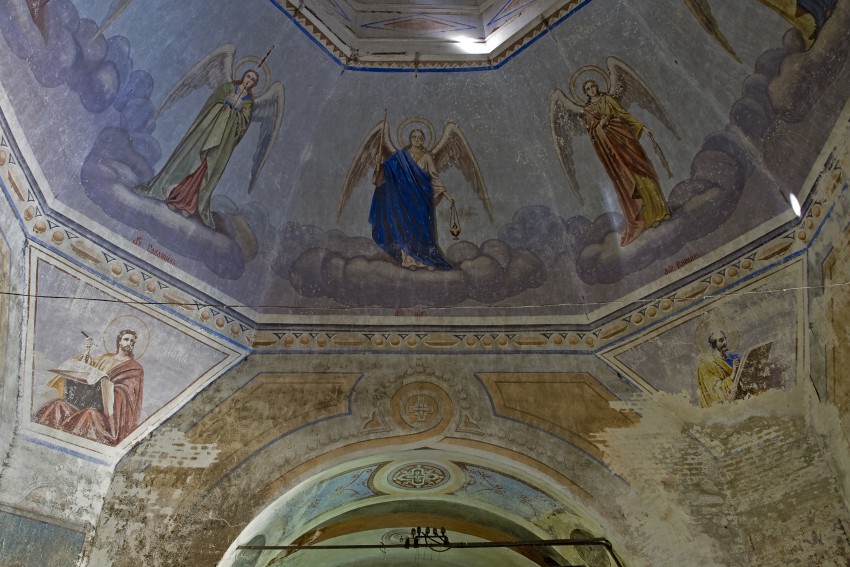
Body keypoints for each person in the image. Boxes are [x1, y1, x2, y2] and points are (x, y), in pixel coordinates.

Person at [134, 70, 258, 230]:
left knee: (204, 169)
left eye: (253, 79)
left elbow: (242, 126)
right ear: (244, 76)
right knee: (191, 161)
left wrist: (237, 111)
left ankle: (189, 206)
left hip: (221, 142)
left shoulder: (248, 103)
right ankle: (173, 197)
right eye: (248, 76)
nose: (249, 80)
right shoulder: (228, 87)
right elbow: (212, 103)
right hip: (206, 132)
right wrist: (226, 103)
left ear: (254, 84)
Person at [582, 80, 671, 246]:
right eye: (588, 89)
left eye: (593, 86)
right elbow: (593, 134)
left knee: (645, 173)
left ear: (597, 86)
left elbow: (624, 115)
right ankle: (650, 218)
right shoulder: (588, 111)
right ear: (585, 93)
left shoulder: (608, 99)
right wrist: (601, 125)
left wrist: (642, 127)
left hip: (626, 142)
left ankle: (662, 211)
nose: (592, 90)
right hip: (613, 151)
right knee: (633, 180)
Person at [35, 329, 144, 445]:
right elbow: (89, 370)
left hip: (105, 412)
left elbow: (128, 393)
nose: (129, 343)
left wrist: (107, 388)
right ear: (119, 341)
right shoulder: (105, 358)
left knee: (89, 415)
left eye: (132, 341)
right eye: (126, 339)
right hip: (84, 400)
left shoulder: (134, 367)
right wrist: (87, 352)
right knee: (57, 405)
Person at [369, 129, 455, 271]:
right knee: (406, 229)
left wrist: (446, 194)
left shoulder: (426, 158)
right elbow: (387, 172)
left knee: (424, 230)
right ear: (410, 139)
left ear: (423, 140)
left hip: (422, 201)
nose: (417, 139)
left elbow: (434, 178)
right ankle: (410, 261)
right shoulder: (400, 157)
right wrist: (379, 164)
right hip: (405, 201)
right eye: (414, 137)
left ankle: (427, 261)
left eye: (420, 137)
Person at [696, 330, 741, 408]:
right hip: (726, 406)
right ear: (714, 344)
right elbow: (716, 391)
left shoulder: (732, 357)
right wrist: (734, 372)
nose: (725, 342)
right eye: (721, 340)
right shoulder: (707, 363)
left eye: (725, 339)